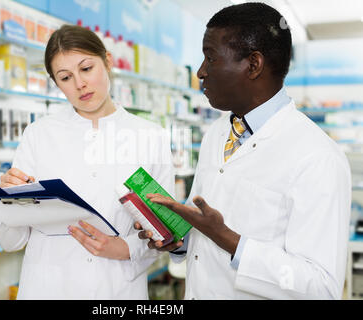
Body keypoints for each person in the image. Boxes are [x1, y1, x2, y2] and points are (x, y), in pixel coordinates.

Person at [136, 2, 351, 300]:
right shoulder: (217, 134)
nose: (200, 72)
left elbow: (320, 287)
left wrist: (226, 238)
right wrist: (179, 240)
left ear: (253, 65)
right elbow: (205, 230)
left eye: (210, 58)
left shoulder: (318, 157)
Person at [0, 25, 174, 299]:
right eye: (65, 77)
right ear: (56, 83)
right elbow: (10, 241)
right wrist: (8, 199)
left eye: (87, 68)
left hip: (116, 288)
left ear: (108, 62)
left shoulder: (151, 137)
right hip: (48, 287)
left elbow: (165, 228)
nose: (79, 84)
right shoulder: (39, 134)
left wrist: (126, 248)